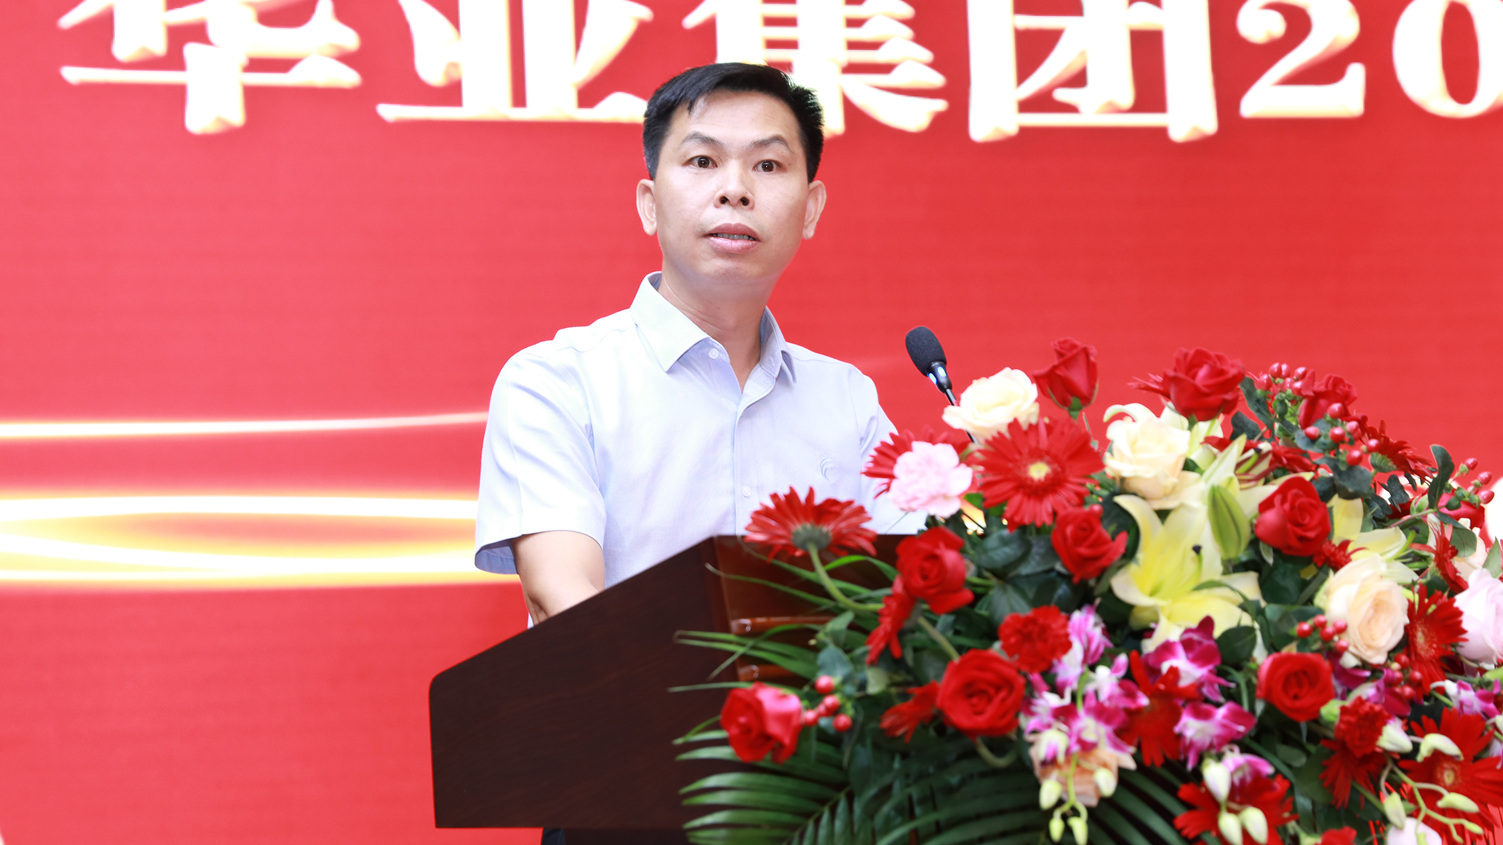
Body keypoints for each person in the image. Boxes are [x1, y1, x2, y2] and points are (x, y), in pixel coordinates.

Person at [475, 61, 919, 622]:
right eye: (703, 161)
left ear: (809, 210)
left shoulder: (847, 398)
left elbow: (921, 583)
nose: (735, 190)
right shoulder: (557, 383)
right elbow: (559, 592)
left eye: (767, 165)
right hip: (627, 680)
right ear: (649, 203)